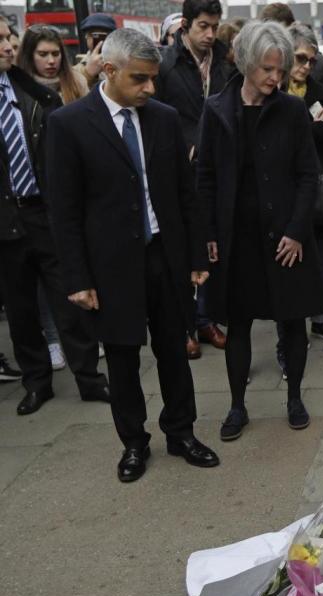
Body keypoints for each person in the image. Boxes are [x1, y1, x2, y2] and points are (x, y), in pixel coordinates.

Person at [46, 28, 218, 482]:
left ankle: (181, 433)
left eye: (153, 79)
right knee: (122, 359)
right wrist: (77, 279)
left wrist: (197, 256)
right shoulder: (70, 124)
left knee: (175, 353)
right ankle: (134, 443)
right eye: (140, 79)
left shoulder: (162, 118)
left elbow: (186, 194)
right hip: (110, 267)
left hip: (165, 255)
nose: (149, 88)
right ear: (109, 71)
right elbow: (63, 211)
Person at [196, 20, 321, 440]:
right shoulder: (216, 109)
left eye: (280, 69)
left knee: (292, 319)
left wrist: (297, 230)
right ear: (247, 63)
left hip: (286, 236)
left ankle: (295, 397)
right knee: (239, 323)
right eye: (268, 68)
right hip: (238, 238)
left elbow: (308, 174)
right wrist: (208, 234)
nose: (276, 77)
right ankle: (236, 407)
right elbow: (206, 177)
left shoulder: (292, 110)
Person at [0, 16, 110, 416]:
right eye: (0, 39)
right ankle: (37, 382)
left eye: (10, 37)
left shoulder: (30, 92)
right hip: (6, 222)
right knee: (22, 308)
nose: (9, 46)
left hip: (43, 213)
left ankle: (90, 379)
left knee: (71, 300)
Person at [155, 0, 232, 359]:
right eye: (203, 26)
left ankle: (205, 319)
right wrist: (182, 145)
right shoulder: (166, 64)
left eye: (215, 26)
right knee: (182, 247)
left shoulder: (225, 59)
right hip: (179, 169)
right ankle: (185, 326)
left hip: (216, 165)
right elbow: (154, 114)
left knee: (211, 243)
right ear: (185, 24)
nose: (210, 34)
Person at [287, 23, 323, 344]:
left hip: (318, 183)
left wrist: (306, 129)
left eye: (311, 61)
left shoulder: (317, 91)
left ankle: (319, 317)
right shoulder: (273, 89)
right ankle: (291, 330)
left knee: (322, 257)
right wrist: (310, 126)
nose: (306, 67)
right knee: (289, 262)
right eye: (300, 59)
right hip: (283, 190)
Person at [17, 24, 87, 104]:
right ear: (29, 56)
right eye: (43, 54)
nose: (51, 61)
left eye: (55, 54)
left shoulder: (77, 82)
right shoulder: (17, 86)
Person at [73, 13, 117, 90]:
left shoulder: (122, 65)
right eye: (92, 35)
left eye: (102, 36)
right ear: (86, 37)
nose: (97, 40)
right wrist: (88, 73)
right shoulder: (75, 71)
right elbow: (71, 96)